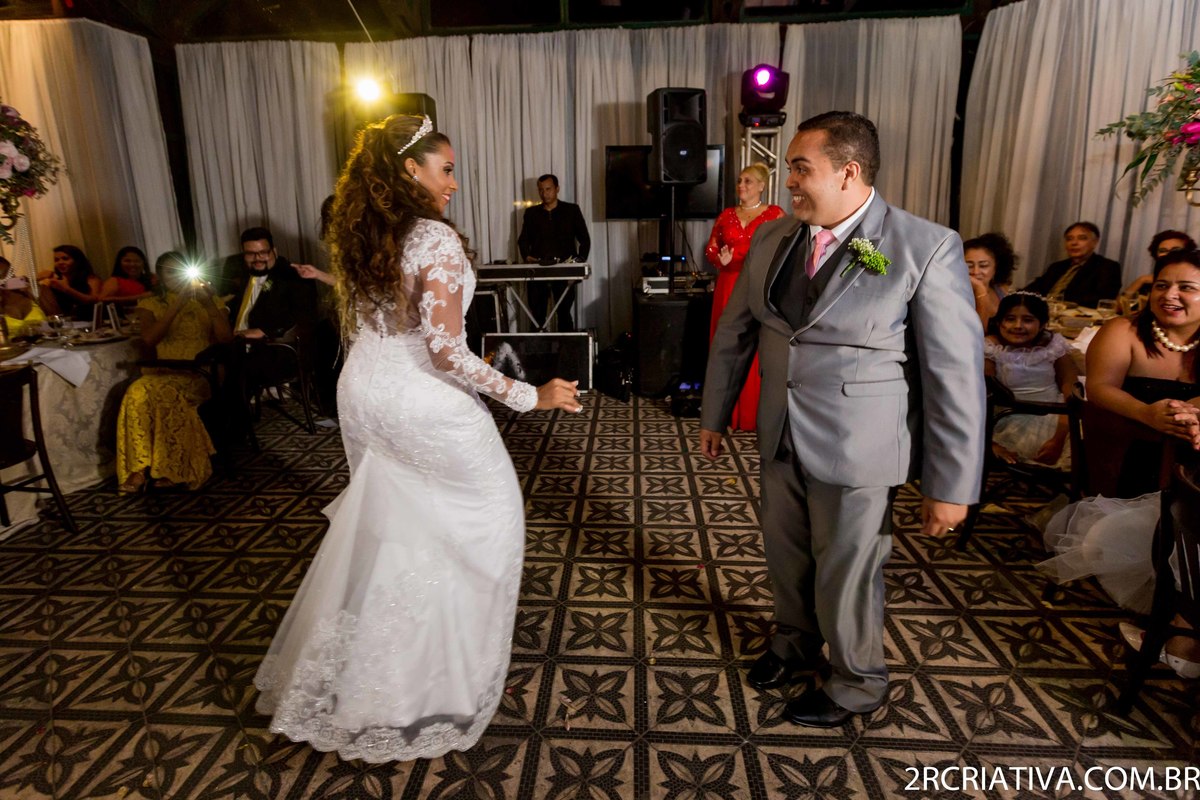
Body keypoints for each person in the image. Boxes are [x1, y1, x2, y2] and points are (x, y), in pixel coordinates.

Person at [253, 114, 581, 762]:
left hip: (363, 392)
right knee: (489, 524)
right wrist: (529, 395)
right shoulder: (433, 237)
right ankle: (439, 680)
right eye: (446, 169)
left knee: (396, 534)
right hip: (421, 402)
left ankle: (375, 682)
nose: (454, 182)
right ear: (411, 169)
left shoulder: (365, 232)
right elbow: (446, 352)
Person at [700, 111, 985, 728]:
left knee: (848, 571)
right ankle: (793, 643)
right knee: (785, 554)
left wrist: (952, 485)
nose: (789, 183)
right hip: (779, 430)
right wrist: (714, 415)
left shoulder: (923, 246)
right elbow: (735, 332)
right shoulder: (774, 239)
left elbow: (955, 374)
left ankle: (857, 681)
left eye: (800, 169)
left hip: (860, 446)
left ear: (848, 172)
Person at [1038, 250, 1200, 674]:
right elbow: (1101, 388)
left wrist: (1191, 412)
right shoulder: (1123, 330)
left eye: (1186, 288)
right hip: (1128, 449)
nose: (1170, 295)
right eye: (1162, 285)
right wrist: (1147, 414)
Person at [115, 251, 234, 493]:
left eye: (180, 270)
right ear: (159, 276)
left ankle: (174, 468)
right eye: (170, 272)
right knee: (136, 391)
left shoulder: (211, 300)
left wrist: (208, 304)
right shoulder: (149, 304)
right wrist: (177, 303)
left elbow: (226, 339)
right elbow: (149, 339)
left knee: (167, 393)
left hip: (201, 371)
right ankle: (138, 468)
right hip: (163, 370)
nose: (176, 277)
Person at [703, 162, 785, 431]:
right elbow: (711, 249)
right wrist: (720, 259)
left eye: (748, 181)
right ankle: (725, 413)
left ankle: (754, 414)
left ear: (762, 185)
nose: (741, 185)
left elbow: (785, 250)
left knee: (759, 346)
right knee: (728, 344)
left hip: (759, 285)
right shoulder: (726, 215)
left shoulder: (775, 214)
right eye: (739, 180)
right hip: (728, 284)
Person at [984, 292, 1077, 466]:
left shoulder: (1053, 346)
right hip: (1009, 416)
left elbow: (1071, 387)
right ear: (999, 322)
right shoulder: (991, 348)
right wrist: (989, 442)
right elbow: (983, 396)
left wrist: (1060, 436)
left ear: (1042, 324)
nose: (1018, 326)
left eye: (1028, 320)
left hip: (1056, 413)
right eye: (1010, 319)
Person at [516, 173, 590, 331]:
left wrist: (578, 263)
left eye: (548, 189)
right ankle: (538, 346)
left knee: (564, 314)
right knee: (537, 316)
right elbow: (523, 240)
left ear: (557, 189)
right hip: (537, 270)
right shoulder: (531, 213)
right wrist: (527, 256)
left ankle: (566, 347)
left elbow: (585, 239)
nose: (544, 193)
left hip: (564, 270)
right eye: (541, 190)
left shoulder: (571, 210)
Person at [1023, 222, 1121, 308]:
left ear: (1094, 242)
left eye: (1082, 238)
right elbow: (1034, 288)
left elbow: (1102, 298)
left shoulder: (1107, 267)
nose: (1074, 243)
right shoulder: (1057, 267)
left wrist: (1058, 302)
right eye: (1069, 239)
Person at [963, 232, 1017, 331]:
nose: (976, 272)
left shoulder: (1000, 288)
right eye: (969, 266)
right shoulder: (957, 296)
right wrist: (980, 290)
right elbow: (977, 333)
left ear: (996, 267)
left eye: (983, 266)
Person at [1122, 230, 1196, 298]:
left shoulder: (1195, 280)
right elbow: (1120, 305)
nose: (1168, 254)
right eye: (1163, 251)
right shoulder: (1148, 282)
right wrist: (1141, 280)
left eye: (1175, 250)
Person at [37, 245, 101, 319]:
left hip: (87, 319)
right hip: (61, 320)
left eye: (65, 259)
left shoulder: (91, 279)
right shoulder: (54, 279)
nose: (60, 262)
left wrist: (67, 289)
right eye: (56, 260)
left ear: (77, 261)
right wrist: (37, 279)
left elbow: (94, 300)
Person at [0, 274, 46, 338]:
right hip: (13, 344)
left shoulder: (30, 290)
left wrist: (31, 287)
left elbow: (55, 319)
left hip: (47, 342)